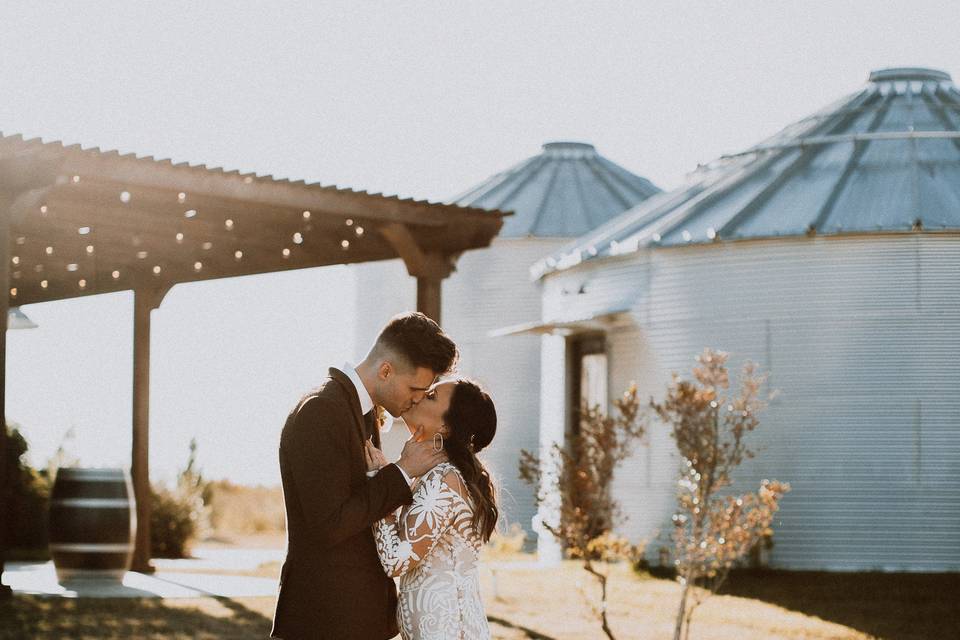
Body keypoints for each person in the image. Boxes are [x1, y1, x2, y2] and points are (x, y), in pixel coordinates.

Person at [271, 312, 458, 640]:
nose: (417, 399)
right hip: (324, 621)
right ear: (386, 370)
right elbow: (330, 523)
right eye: (416, 388)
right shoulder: (320, 411)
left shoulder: (360, 412)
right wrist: (400, 473)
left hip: (355, 619)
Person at [366, 378, 498, 640]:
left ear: (446, 426)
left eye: (432, 396)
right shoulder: (436, 474)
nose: (419, 396)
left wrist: (379, 479)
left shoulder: (445, 479)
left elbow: (395, 561)